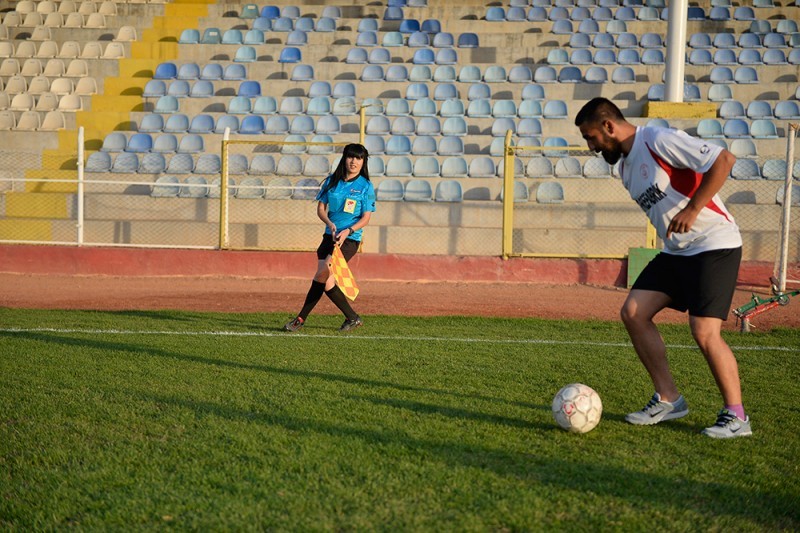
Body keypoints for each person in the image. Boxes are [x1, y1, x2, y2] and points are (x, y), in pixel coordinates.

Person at [574, 97, 751, 439]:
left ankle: (737, 416)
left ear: (609, 126)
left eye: (591, 137)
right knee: (634, 312)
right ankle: (669, 398)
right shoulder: (625, 168)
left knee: (704, 332)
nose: (591, 146)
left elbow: (724, 160)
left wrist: (694, 209)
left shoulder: (656, 140)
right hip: (678, 252)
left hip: (714, 243)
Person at [283, 143, 376, 333]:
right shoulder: (332, 181)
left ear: (363, 161)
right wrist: (330, 224)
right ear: (345, 158)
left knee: (322, 274)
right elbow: (321, 209)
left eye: (359, 158)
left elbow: (366, 218)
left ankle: (300, 319)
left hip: (349, 239)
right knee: (326, 282)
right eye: (351, 157)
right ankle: (352, 317)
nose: (354, 161)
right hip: (329, 237)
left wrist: (348, 230)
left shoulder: (365, 186)